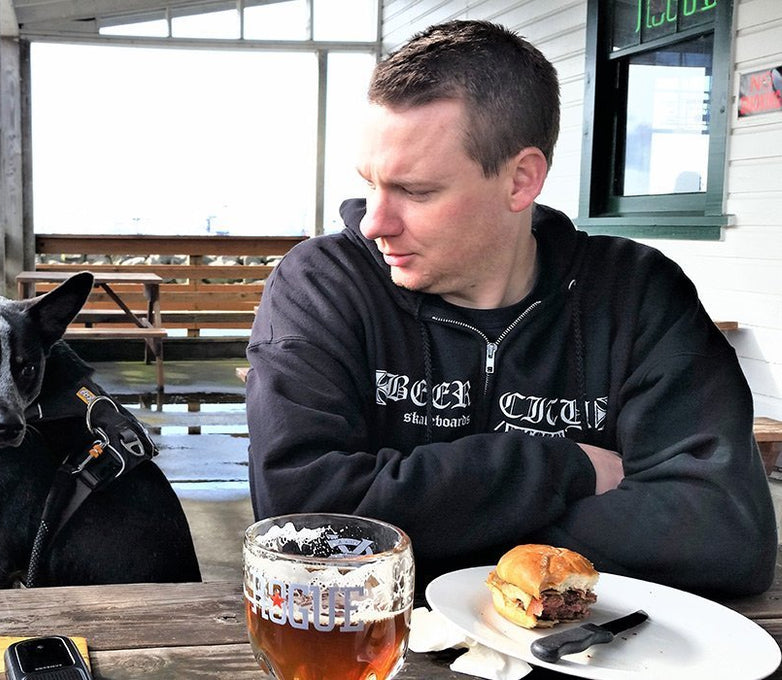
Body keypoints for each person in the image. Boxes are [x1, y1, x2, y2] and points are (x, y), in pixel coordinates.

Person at [245, 19, 777, 596]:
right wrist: (563, 468)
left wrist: (435, 532)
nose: (374, 222)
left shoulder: (635, 294)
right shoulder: (324, 286)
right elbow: (302, 522)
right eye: (371, 183)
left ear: (521, 179)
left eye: (416, 191)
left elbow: (726, 534)